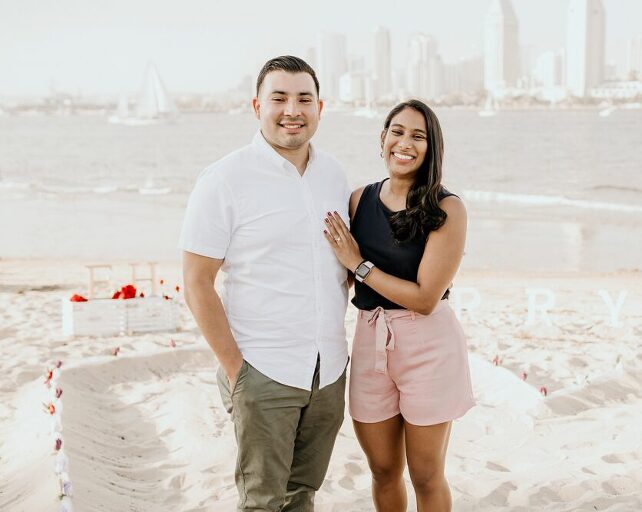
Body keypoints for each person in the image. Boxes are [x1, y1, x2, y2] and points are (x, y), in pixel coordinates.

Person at [180, 55, 350, 512]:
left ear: (320, 108)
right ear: (257, 106)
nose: (292, 110)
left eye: (304, 99)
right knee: (261, 502)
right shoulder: (223, 179)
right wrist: (238, 372)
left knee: (302, 496)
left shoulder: (334, 174)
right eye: (279, 98)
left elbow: (338, 264)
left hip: (329, 371)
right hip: (263, 369)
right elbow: (196, 282)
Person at [322, 99, 475, 511]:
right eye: (398, 132)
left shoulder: (447, 208)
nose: (405, 143)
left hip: (428, 345)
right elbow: (337, 270)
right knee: (383, 470)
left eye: (418, 136)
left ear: (431, 147)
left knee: (425, 474)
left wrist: (359, 264)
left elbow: (425, 298)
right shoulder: (359, 200)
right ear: (382, 139)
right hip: (370, 338)